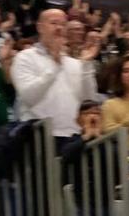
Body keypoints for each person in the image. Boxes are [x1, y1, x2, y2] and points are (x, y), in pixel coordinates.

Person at [13, 8, 99, 140]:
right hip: (38, 135)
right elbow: (29, 96)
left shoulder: (74, 63)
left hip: (72, 135)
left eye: (63, 24)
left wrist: (86, 64)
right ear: (40, 27)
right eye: (54, 23)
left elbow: (88, 100)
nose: (59, 28)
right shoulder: (25, 57)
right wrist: (54, 65)